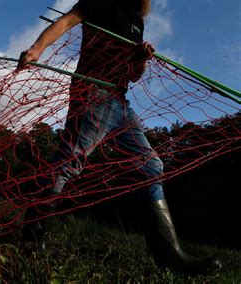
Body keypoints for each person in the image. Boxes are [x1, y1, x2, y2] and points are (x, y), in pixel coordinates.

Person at [17, 0, 222, 275]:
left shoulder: (137, 20)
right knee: (68, 163)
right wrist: (37, 49)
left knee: (152, 167)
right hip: (93, 92)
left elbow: (132, 76)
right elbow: (66, 21)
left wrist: (140, 60)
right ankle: (31, 240)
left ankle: (171, 257)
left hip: (119, 102)